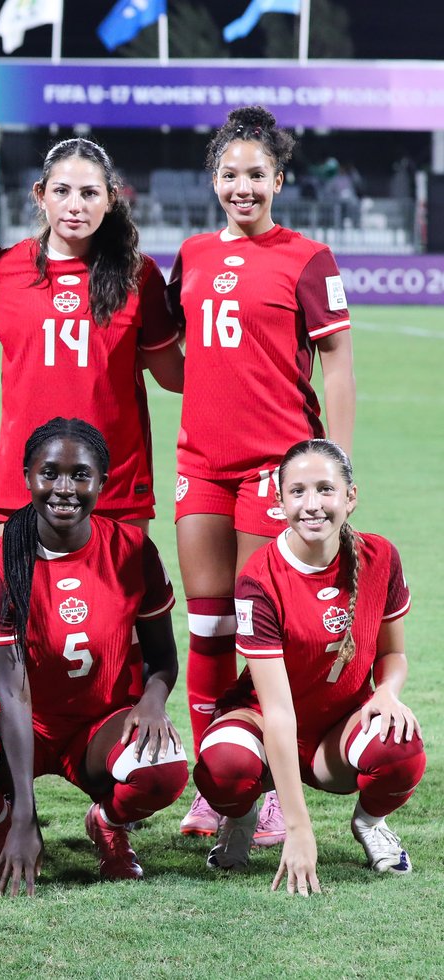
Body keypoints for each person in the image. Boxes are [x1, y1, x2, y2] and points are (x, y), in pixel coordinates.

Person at [168, 106, 355, 841]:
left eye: (256, 175)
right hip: (201, 464)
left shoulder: (308, 258)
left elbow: (336, 362)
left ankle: (271, 789)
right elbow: (166, 352)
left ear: (279, 179)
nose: (242, 187)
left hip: (276, 470)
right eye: (229, 174)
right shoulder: (189, 254)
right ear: (213, 178)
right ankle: (216, 789)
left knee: (255, 630)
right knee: (207, 623)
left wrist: (332, 466)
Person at [0, 418, 188, 896]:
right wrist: (23, 815)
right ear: (27, 477)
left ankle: (106, 824)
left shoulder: (133, 549)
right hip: (18, 719)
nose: (64, 488)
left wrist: (152, 702)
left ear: (102, 482)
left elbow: (163, 657)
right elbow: (13, 695)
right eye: (50, 473)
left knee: (163, 769)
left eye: (80, 475)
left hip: (99, 723)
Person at [193, 440, 421, 892]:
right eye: (297, 492)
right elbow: (277, 711)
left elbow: (392, 654)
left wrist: (386, 692)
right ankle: (240, 819)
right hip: (263, 722)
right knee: (222, 767)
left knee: (402, 747)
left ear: (350, 497)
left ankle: (370, 824)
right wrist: (298, 830)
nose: (312, 505)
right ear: (279, 503)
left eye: (325, 489)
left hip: (335, 731)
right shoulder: (259, 578)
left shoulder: (381, 557)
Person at [0, 137, 182, 529]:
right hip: (24, 478)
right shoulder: (5, 270)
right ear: (41, 195)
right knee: (25, 592)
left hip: (115, 481)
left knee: (120, 592)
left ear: (111, 198)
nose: (75, 205)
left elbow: (172, 375)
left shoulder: (139, 276)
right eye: (62, 191)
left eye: (90, 193)